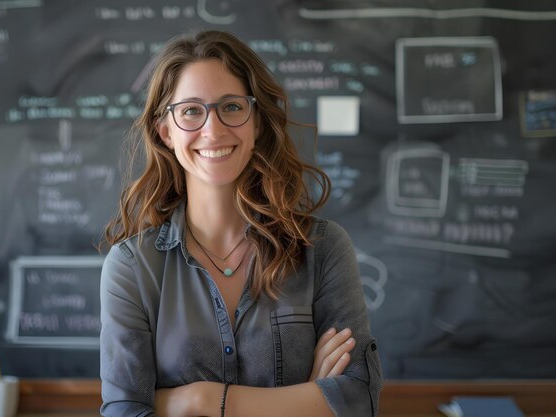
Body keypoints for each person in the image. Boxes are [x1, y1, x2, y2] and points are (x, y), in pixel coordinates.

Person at [99, 29, 382, 417]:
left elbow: (357, 401)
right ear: (166, 132)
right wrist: (309, 400)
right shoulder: (132, 267)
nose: (213, 130)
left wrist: (197, 400)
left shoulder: (324, 248)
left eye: (232, 107)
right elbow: (125, 412)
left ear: (258, 123)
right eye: (191, 111)